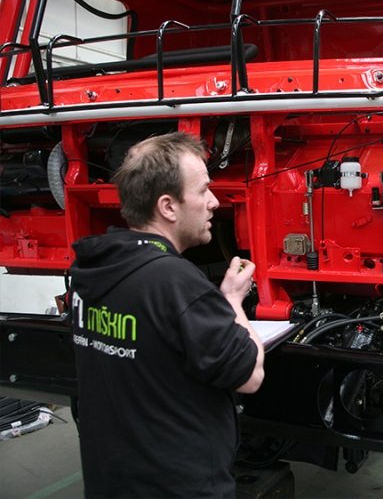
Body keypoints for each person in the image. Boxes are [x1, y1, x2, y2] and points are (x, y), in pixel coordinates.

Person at [69, 132, 265, 498]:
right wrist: (232, 302)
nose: (214, 202)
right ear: (168, 207)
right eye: (204, 190)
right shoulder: (175, 283)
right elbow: (249, 375)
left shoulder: (89, 272)